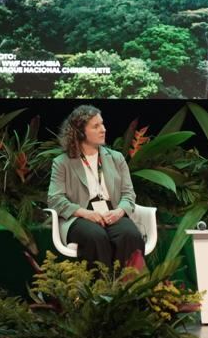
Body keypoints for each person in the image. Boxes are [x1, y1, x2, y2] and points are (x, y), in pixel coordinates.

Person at [47, 105, 144, 267]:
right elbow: (54, 199)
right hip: (79, 216)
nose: (103, 129)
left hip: (112, 212)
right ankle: (99, 289)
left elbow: (128, 194)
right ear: (79, 132)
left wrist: (119, 211)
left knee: (130, 234)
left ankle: (128, 289)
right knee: (95, 236)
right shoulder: (62, 163)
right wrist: (85, 213)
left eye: (103, 124)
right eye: (96, 126)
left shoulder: (116, 158)